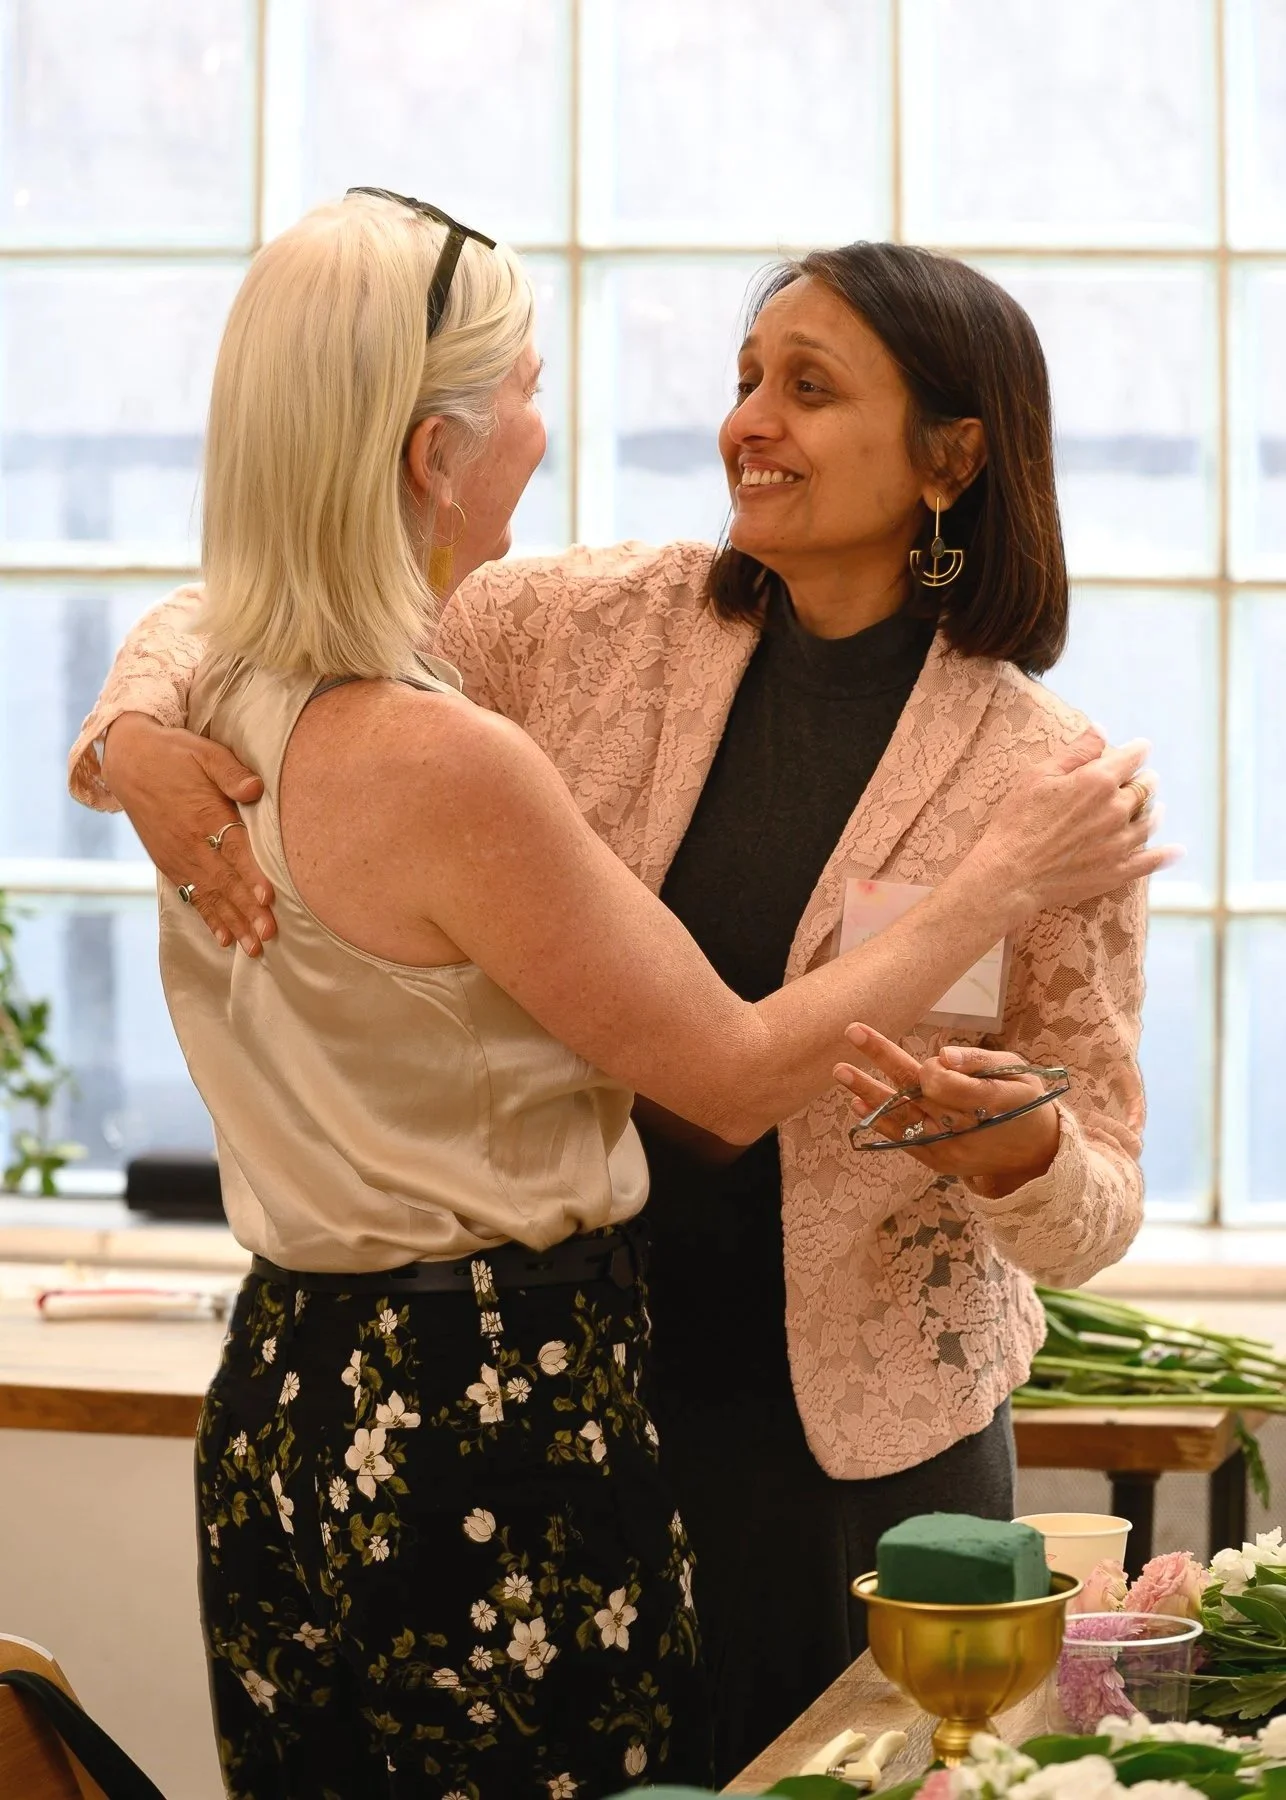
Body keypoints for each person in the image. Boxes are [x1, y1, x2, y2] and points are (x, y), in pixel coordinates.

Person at [70, 236, 1166, 1788]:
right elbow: (268, 600)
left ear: (951, 455)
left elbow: (1097, 1196)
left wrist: (1019, 1158)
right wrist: (126, 725)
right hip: (559, 1416)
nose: (746, 423)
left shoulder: (1047, 792)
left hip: (861, 1461)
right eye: (742, 381)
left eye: (806, 387)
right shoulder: (574, 629)